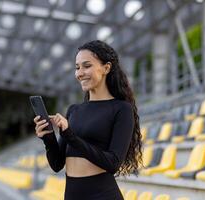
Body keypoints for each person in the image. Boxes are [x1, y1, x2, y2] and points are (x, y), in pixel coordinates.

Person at [33, 40, 142, 200]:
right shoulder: (74, 110)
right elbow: (57, 164)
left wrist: (70, 135)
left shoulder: (121, 109)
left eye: (87, 66)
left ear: (106, 68)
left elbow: (112, 163)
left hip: (102, 195)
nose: (80, 73)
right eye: (77, 67)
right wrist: (48, 136)